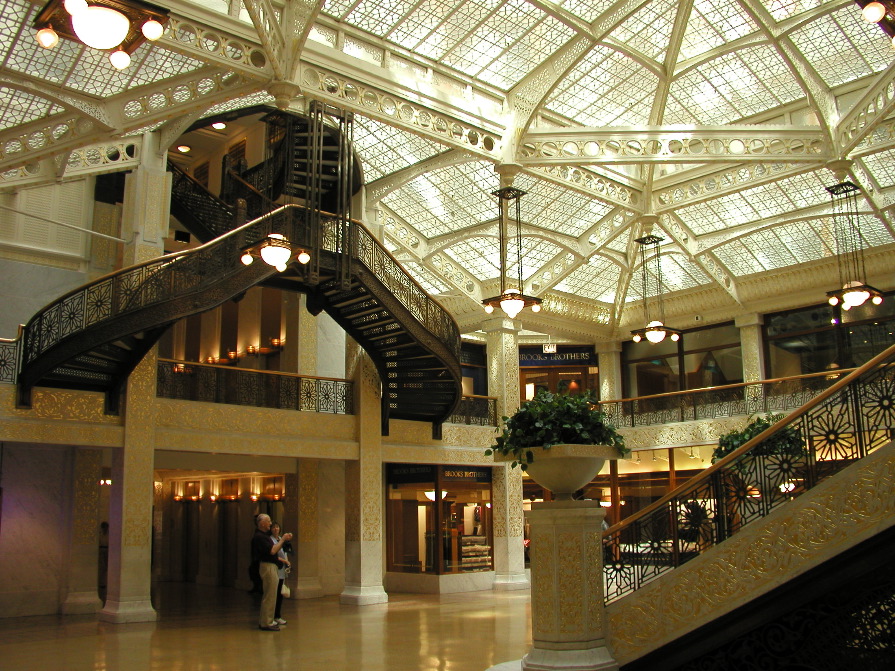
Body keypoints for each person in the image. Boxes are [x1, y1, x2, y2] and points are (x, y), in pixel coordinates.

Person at [251, 514, 292, 631]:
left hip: (271, 566)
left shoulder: (264, 536)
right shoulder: (259, 537)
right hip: (268, 567)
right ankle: (266, 622)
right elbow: (272, 551)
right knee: (270, 594)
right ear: (262, 523)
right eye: (268, 522)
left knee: (272, 594)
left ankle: (267, 620)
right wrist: (283, 539)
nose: (270, 524)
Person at [269, 522, 291, 626]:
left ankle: (277, 615)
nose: (275, 529)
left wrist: (287, 562)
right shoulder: (270, 540)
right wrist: (284, 561)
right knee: (274, 593)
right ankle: (272, 616)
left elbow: (285, 552)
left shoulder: (281, 539)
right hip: (275, 568)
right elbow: (272, 554)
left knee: (279, 594)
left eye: (277, 527)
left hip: (282, 569)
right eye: (273, 527)